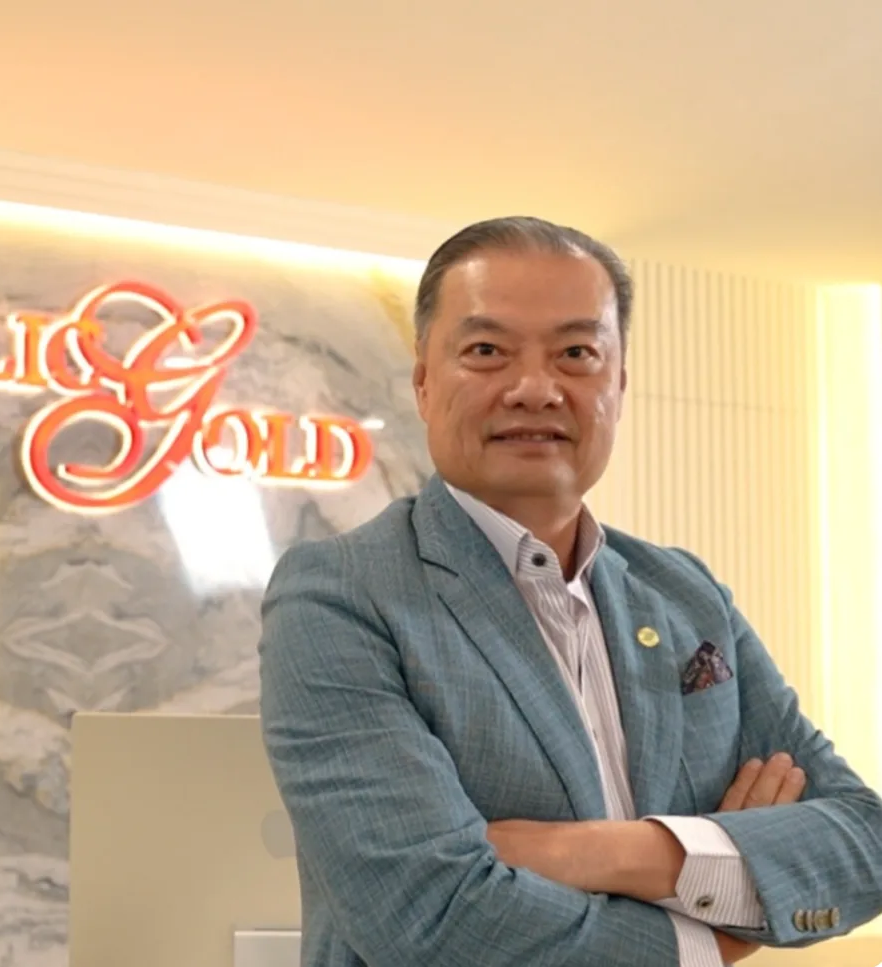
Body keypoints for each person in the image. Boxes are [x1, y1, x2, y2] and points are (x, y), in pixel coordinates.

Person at [257, 216, 882, 967]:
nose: (534, 388)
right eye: (486, 351)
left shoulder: (683, 593)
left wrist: (610, 852)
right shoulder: (341, 594)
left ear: (618, 385)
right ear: (423, 382)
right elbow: (433, 916)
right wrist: (714, 928)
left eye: (576, 354)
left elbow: (864, 840)